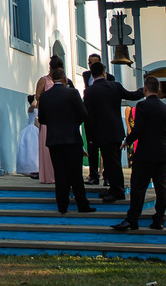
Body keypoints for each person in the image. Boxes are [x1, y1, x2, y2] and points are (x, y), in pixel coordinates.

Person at [113, 76, 166, 231]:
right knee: (161, 187)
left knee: (138, 187)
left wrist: (127, 141)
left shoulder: (142, 106)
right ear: (158, 90)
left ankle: (132, 219)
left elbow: (138, 129)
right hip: (161, 152)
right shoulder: (165, 108)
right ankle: (159, 219)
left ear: (145, 89)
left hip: (145, 153)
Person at [37, 63, 96, 215]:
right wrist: (73, 124)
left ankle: (62, 206)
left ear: (52, 79)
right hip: (72, 138)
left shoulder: (45, 96)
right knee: (75, 173)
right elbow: (83, 114)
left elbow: (42, 119)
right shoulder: (72, 93)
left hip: (54, 139)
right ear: (64, 79)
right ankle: (82, 204)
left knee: (60, 173)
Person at [82, 61, 143, 202]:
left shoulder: (89, 91)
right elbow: (132, 95)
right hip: (116, 131)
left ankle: (117, 191)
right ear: (104, 73)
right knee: (114, 162)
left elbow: (88, 117)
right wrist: (142, 90)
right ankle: (114, 188)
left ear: (92, 75)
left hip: (100, 132)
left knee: (111, 163)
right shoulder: (115, 86)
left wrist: (90, 137)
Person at [81, 53, 116, 185]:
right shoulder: (86, 75)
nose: (91, 66)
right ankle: (93, 175)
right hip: (91, 116)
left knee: (106, 150)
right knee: (92, 147)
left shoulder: (109, 78)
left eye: (94, 63)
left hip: (104, 117)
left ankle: (107, 176)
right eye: (89, 63)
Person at [32, 55, 65, 183]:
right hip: (48, 117)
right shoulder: (44, 80)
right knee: (47, 148)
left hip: (60, 117)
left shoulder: (63, 81)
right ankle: (49, 175)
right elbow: (38, 96)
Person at [16, 95, 39, 177]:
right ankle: (31, 168)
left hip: (37, 128)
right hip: (32, 130)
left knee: (36, 150)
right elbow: (33, 105)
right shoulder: (31, 109)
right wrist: (36, 98)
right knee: (31, 149)